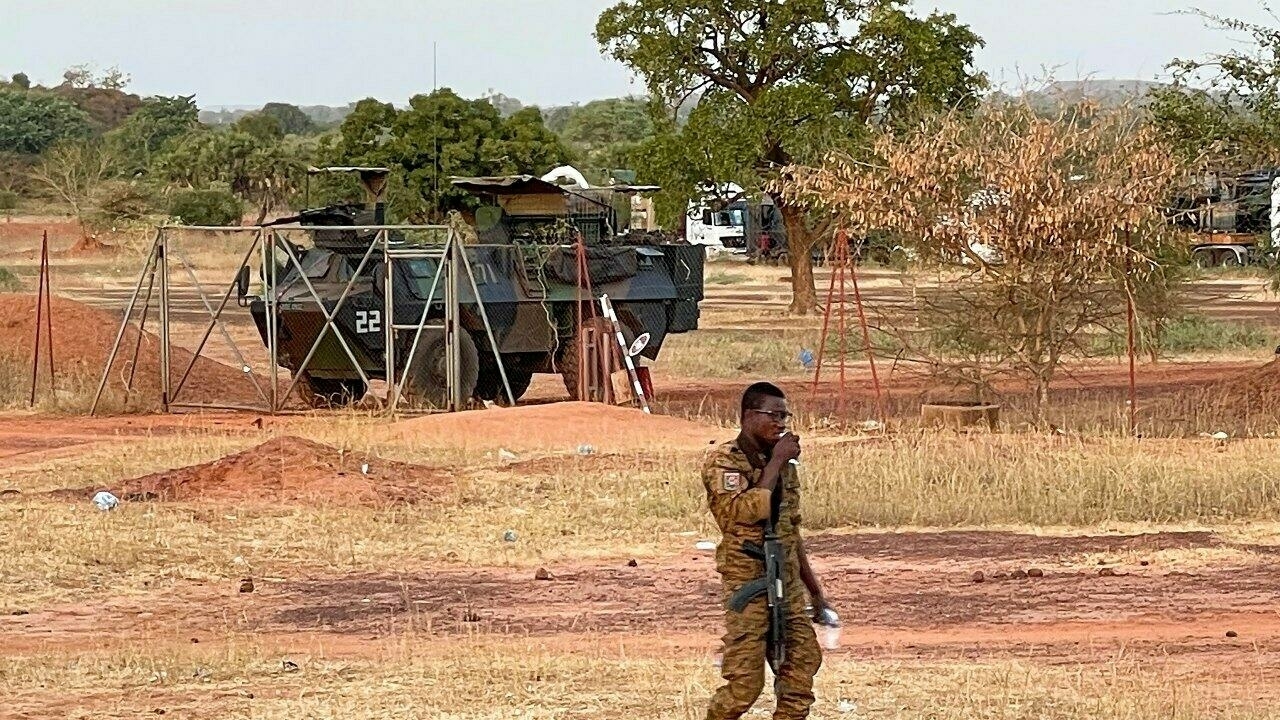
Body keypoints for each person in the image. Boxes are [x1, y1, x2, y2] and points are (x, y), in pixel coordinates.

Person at [701, 381, 831, 720]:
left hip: (785, 581)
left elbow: (790, 530)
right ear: (748, 416)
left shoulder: (783, 465)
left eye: (784, 416)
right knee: (744, 684)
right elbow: (741, 513)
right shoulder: (724, 462)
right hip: (749, 581)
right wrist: (775, 462)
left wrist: (814, 591)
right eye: (773, 415)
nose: (780, 423)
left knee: (801, 667)